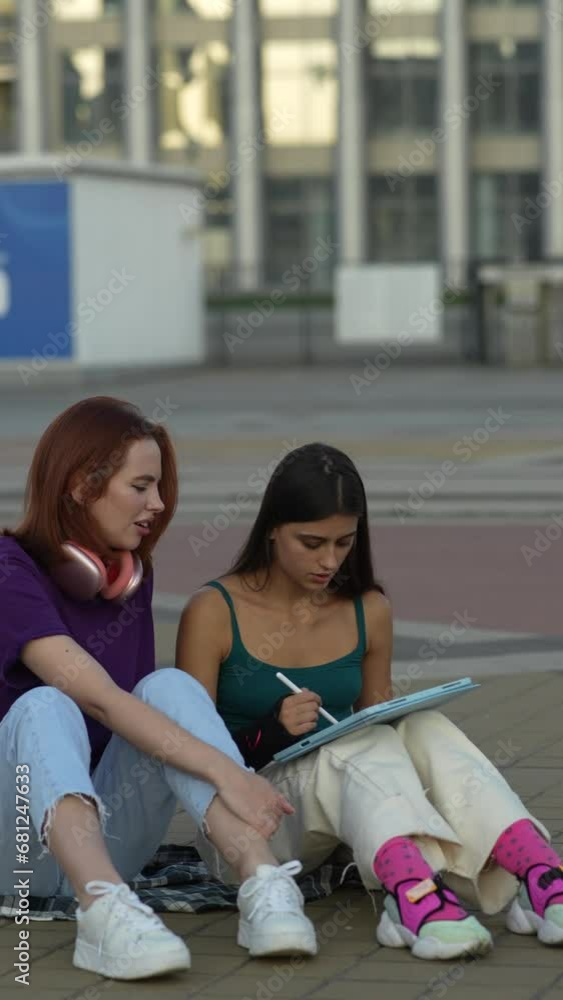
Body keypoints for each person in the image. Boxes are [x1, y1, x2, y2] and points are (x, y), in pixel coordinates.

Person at [176, 442, 563, 962]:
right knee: (354, 747)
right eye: (311, 543)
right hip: (250, 826)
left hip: (338, 815)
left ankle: (539, 873)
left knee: (419, 727)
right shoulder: (213, 610)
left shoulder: (368, 608)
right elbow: (189, 756)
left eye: (344, 543)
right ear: (272, 527)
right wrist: (270, 730)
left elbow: (380, 727)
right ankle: (412, 896)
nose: (329, 561)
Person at [0, 397, 318, 984]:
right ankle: (102, 914)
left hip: (103, 836)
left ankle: (262, 882)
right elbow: (97, 699)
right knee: (44, 704)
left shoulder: (127, 581)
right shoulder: (9, 570)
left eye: (160, 487)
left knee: (167, 684)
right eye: (142, 486)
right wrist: (229, 773)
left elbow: (144, 723)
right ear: (79, 484)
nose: (159, 504)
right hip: (13, 848)